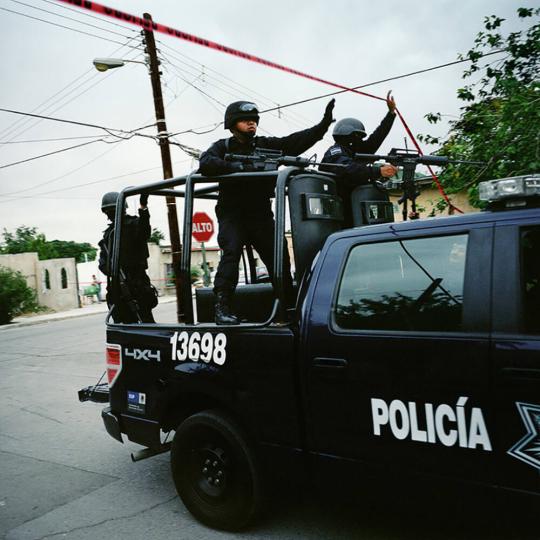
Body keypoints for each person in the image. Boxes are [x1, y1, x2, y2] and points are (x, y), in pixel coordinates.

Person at [199, 98, 336, 324]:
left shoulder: (266, 145)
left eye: (254, 120)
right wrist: (236, 167)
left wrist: (323, 124)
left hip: (260, 213)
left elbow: (295, 142)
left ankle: (290, 308)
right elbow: (206, 163)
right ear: (233, 124)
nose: (252, 124)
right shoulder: (222, 147)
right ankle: (222, 308)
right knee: (231, 254)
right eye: (245, 120)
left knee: (278, 258)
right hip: (232, 212)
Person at [320, 91, 399, 227]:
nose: (361, 141)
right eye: (358, 137)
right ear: (349, 136)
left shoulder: (352, 152)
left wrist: (390, 114)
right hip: (339, 216)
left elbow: (375, 140)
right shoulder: (335, 153)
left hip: (356, 210)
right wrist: (377, 171)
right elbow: (347, 170)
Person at [98, 192, 157, 323]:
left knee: (144, 326)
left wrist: (143, 208)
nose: (111, 213)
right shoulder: (109, 235)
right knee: (133, 329)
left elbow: (144, 231)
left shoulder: (132, 225)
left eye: (112, 210)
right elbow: (103, 265)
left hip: (135, 286)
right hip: (122, 289)